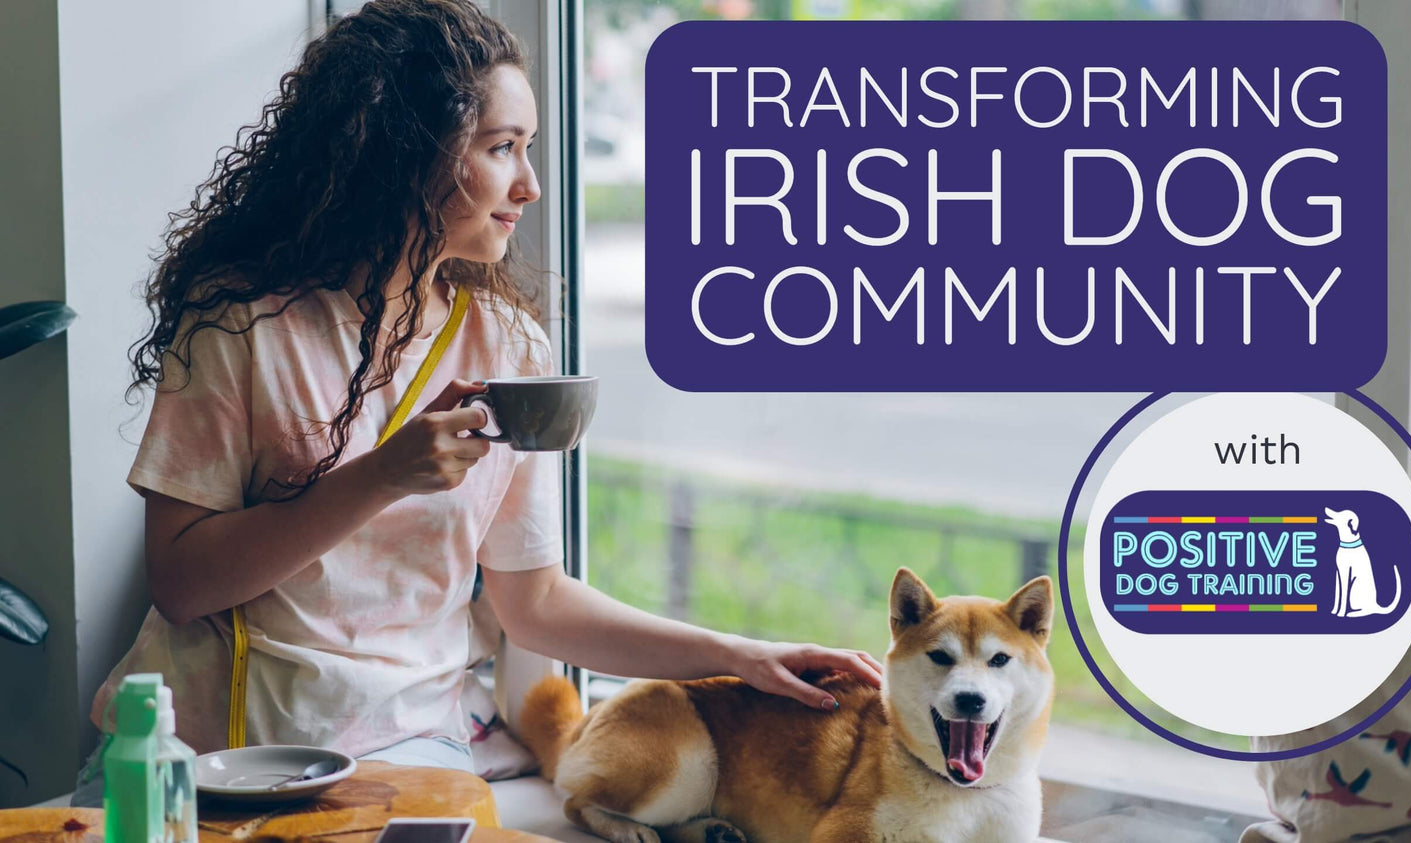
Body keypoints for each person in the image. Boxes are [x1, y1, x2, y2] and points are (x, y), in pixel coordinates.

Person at [74, 0, 879, 803]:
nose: (529, 184)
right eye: (502, 148)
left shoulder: (508, 348)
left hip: (405, 749)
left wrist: (737, 654)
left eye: (528, 149)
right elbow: (181, 582)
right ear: (405, 155)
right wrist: (380, 477)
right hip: (208, 752)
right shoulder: (241, 324)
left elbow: (535, 603)